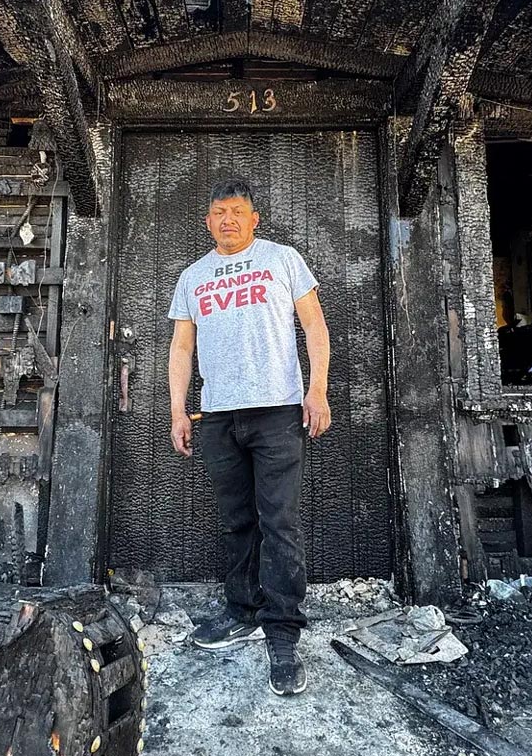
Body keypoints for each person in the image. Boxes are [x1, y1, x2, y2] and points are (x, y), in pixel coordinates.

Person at [166, 177, 332, 696]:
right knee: (237, 521)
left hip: (278, 411)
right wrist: (178, 410)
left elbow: (315, 327)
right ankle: (242, 611)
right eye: (219, 212)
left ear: (254, 218)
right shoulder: (193, 276)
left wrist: (318, 390)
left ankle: (282, 632)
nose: (228, 220)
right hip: (217, 417)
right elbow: (181, 350)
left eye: (238, 211)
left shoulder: (282, 259)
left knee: (279, 522)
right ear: (208, 221)